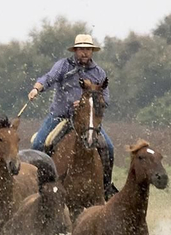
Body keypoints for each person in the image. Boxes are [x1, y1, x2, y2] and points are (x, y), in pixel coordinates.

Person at [27, 33, 116, 196]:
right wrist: (36, 88)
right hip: (59, 116)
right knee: (38, 145)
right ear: (75, 50)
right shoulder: (63, 66)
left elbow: (106, 99)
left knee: (109, 148)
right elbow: (49, 78)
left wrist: (84, 105)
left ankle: (106, 187)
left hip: (87, 119)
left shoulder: (99, 73)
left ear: (92, 52)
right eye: (81, 49)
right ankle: (38, 187)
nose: (84, 52)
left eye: (88, 49)